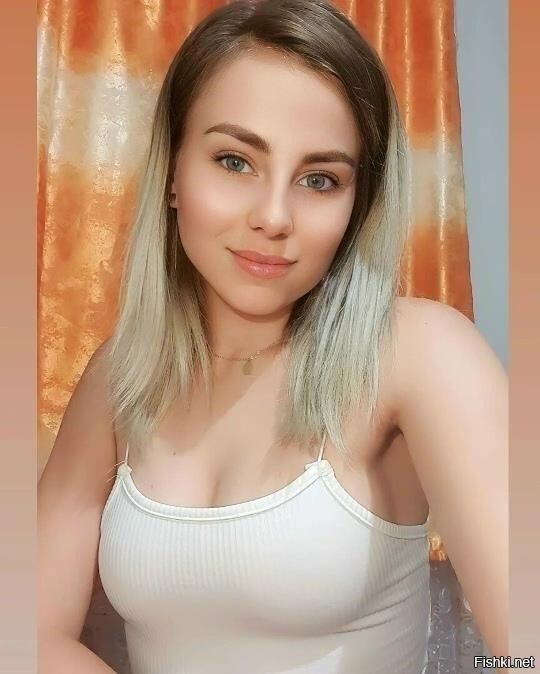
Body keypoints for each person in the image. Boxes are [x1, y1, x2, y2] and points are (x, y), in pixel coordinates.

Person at [37, 1, 508, 673]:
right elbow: (28, 632)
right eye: (235, 161)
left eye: (320, 179)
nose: (274, 216)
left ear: (357, 204)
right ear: (172, 174)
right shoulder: (121, 376)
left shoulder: (420, 354)